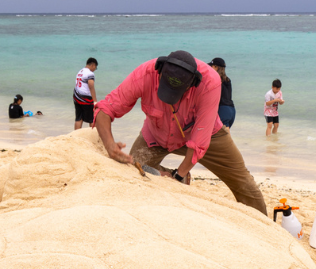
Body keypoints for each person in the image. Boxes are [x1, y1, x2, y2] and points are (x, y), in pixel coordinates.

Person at [94, 50, 267, 215]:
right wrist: (110, 145)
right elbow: (105, 109)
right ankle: (169, 176)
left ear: (193, 83)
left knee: (245, 185)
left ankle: (266, 232)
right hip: (157, 133)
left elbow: (199, 142)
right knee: (133, 169)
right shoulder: (145, 73)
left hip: (207, 135)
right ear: (160, 71)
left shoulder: (210, 82)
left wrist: (178, 176)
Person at [208, 58, 235, 129]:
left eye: (212, 66)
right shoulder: (227, 80)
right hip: (231, 110)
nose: (210, 68)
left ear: (216, 67)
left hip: (223, 110)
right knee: (225, 136)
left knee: (224, 136)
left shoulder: (215, 79)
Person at [73, 57, 98, 129]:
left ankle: (76, 136)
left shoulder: (80, 71)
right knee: (92, 118)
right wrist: (95, 101)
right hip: (85, 98)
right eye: (95, 68)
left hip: (76, 96)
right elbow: (91, 86)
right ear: (93, 65)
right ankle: (93, 136)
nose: (94, 70)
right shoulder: (90, 73)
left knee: (78, 118)